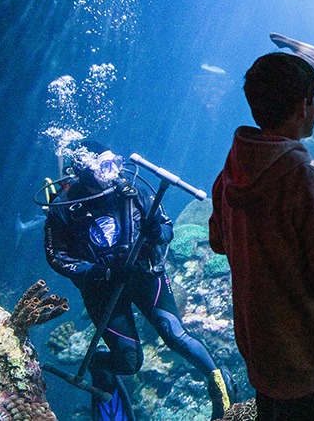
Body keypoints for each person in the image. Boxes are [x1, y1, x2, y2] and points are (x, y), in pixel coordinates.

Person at [209, 52, 314, 421]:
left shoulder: (231, 173)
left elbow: (217, 240)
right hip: (303, 352)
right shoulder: (307, 183)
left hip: (258, 344)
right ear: (303, 106)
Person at [44, 141, 234, 420]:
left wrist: (156, 231)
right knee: (129, 361)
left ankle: (220, 386)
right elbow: (57, 257)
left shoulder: (130, 192)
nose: (112, 173)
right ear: (85, 171)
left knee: (174, 333)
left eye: (113, 164)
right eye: (104, 167)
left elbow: (166, 228)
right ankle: (101, 364)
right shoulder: (64, 208)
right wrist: (98, 271)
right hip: (103, 291)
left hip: (145, 274)